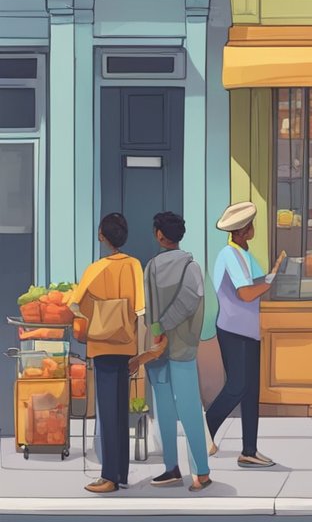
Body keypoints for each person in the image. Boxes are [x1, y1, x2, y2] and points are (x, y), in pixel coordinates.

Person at [206, 202, 284, 469]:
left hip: (248, 329)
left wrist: (270, 274)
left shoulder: (244, 254)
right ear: (240, 230)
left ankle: (249, 450)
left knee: (251, 392)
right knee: (238, 385)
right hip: (233, 329)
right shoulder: (229, 255)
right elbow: (246, 293)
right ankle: (207, 426)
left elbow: (253, 283)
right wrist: (270, 280)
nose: (253, 229)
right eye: (249, 225)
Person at [70, 213, 143, 494]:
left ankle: (109, 476)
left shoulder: (95, 269)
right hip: (125, 344)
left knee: (108, 411)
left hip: (101, 345)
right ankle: (121, 474)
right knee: (121, 410)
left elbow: (76, 305)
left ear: (102, 235)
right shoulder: (134, 265)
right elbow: (140, 308)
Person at [141, 211, 212, 491]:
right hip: (184, 348)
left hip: (157, 348)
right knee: (191, 407)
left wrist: (159, 329)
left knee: (164, 409)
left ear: (159, 235)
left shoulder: (152, 267)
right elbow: (191, 301)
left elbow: (150, 312)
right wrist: (170, 326)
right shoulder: (192, 267)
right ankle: (201, 472)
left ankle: (171, 468)